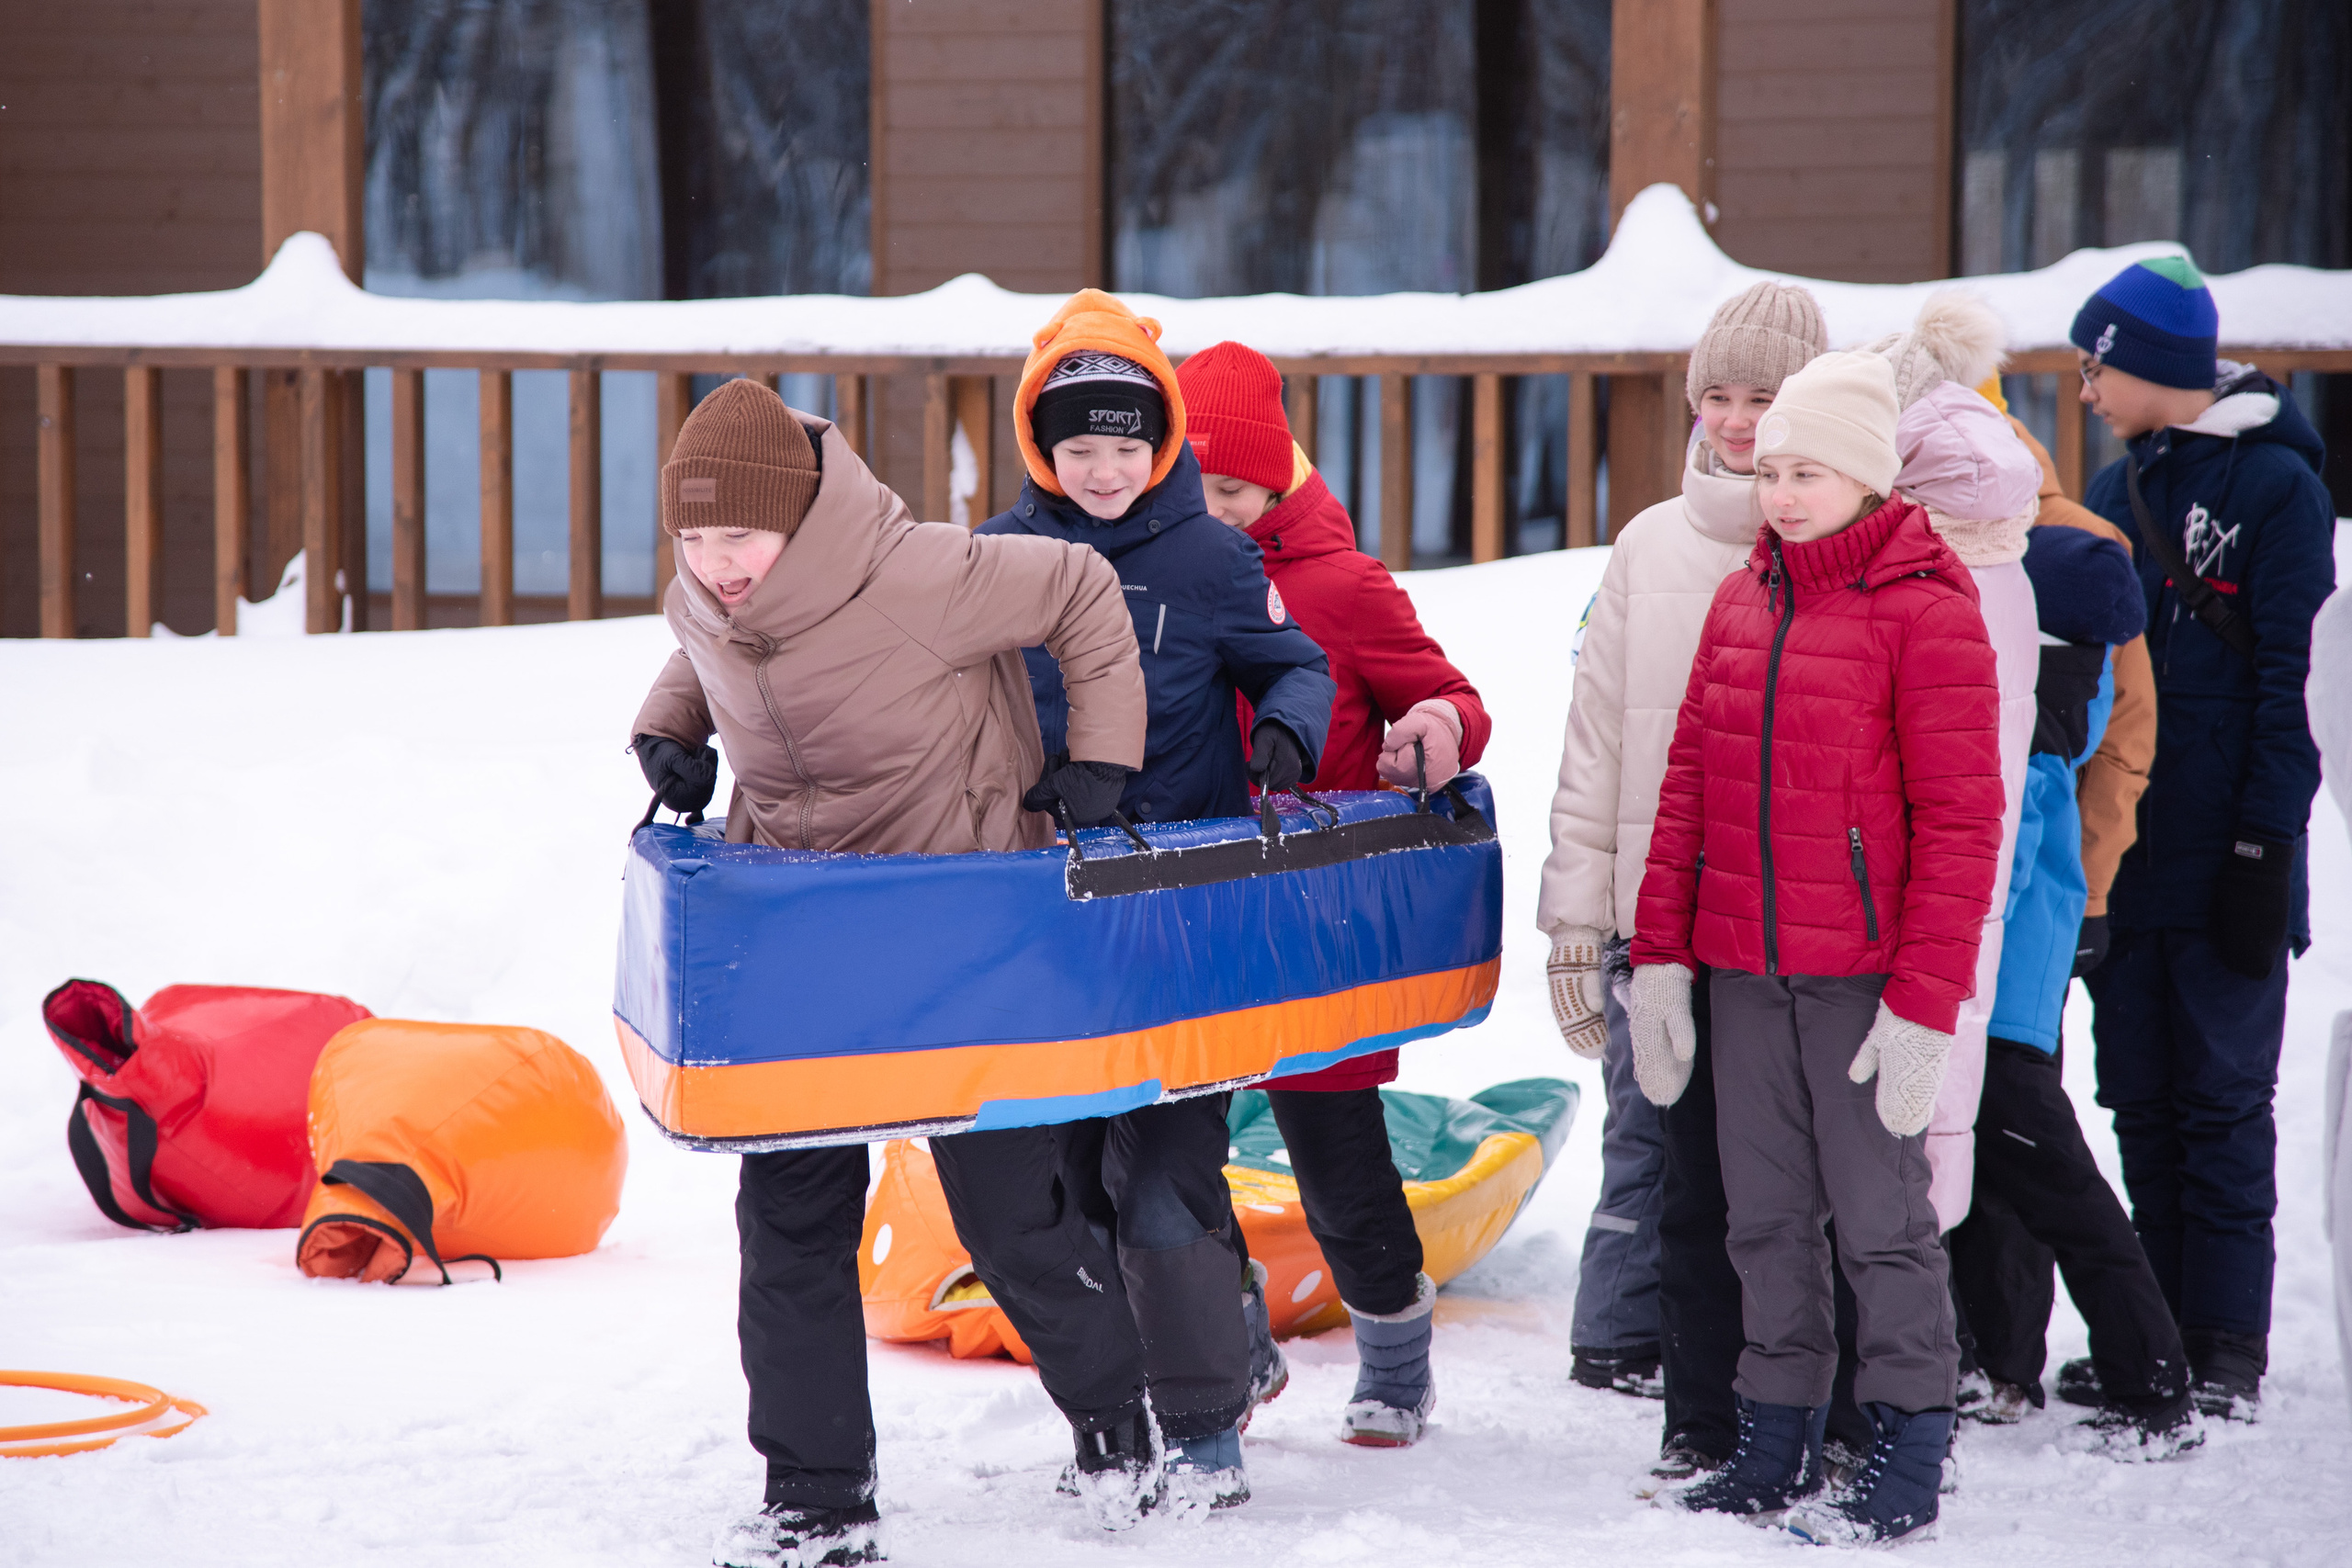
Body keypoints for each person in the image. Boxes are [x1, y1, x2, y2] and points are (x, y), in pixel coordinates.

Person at [628, 378, 1160, 1563]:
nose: (719, 565)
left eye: (742, 539)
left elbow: (1080, 587)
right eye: (697, 539)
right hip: (801, 940)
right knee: (788, 1218)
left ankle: (1122, 1429)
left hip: (957, 931)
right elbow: (700, 642)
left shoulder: (919, 572)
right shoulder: (708, 588)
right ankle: (816, 1498)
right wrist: (671, 726)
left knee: (1009, 1217)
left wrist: (1100, 759)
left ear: (801, 523)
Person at [1627, 351, 2003, 1547]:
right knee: (1763, 1216)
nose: (1783, 491)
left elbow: (1961, 820)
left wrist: (1924, 1000)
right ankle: (1775, 1431)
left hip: (1864, 977)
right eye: (1773, 469)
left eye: (1811, 471)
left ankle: (1906, 1438)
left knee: (1883, 1221)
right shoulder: (1750, 594)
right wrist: (1663, 959)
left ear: (1868, 476)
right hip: (1745, 968)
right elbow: (1688, 784)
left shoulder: (1927, 609)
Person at [976, 291, 1338, 1508]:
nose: (1106, 468)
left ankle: (1203, 1431)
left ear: (1165, 441)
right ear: (1041, 446)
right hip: (1045, 916)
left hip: (1185, 906)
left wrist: (1286, 732)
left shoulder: (1213, 556)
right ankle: (1113, 1416)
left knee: (1171, 1175)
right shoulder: (994, 558)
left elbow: (1295, 660)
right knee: (1063, 1184)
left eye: (1127, 445)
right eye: (1079, 447)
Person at [1176, 337, 1492, 1448]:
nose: (1211, 509)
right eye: (1192, 484)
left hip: (1318, 928)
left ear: (1277, 478)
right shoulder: (1155, 578)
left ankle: (1396, 1353)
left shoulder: (1338, 587)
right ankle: (1227, 1344)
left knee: (1336, 1164)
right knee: (1170, 1171)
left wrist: (1434, 733)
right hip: (1191, 926)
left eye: (1231, 487)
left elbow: (1449, 693)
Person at [1538, 280, 1827, 1459]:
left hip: (1796, 914)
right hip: (1652, 906)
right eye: (1722, 394)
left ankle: (1804, 1376)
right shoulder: (1649, 543)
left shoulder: (1839, 535)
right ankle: (1625, 1338)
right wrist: (1574, 920)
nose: (1742, 418)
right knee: (1648, 1129)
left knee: (1784, 1161)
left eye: (1767, 395)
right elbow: (1594, 741)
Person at [2071, 257, 2337, 1420]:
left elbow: (2297, 687)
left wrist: (2262, 849)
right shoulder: (2112, 484)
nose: (2082, 387)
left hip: (2232, 853)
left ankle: (2226, 1342)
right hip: (2130, 854)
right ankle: (2157, 1335)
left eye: (2096, 364)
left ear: (2149, 364)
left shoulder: (2278, 488)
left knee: (2224, 1102)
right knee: (2138, 1095)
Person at [1940, 421, 2202, 1460]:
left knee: (2035, 1161)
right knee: (1992, 1163)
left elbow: (2084, 750)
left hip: (2001, 964)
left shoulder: (2040, 594)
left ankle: (2150, 1376)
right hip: (1999, 952)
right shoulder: (2034, 594)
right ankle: (1996, 1358)